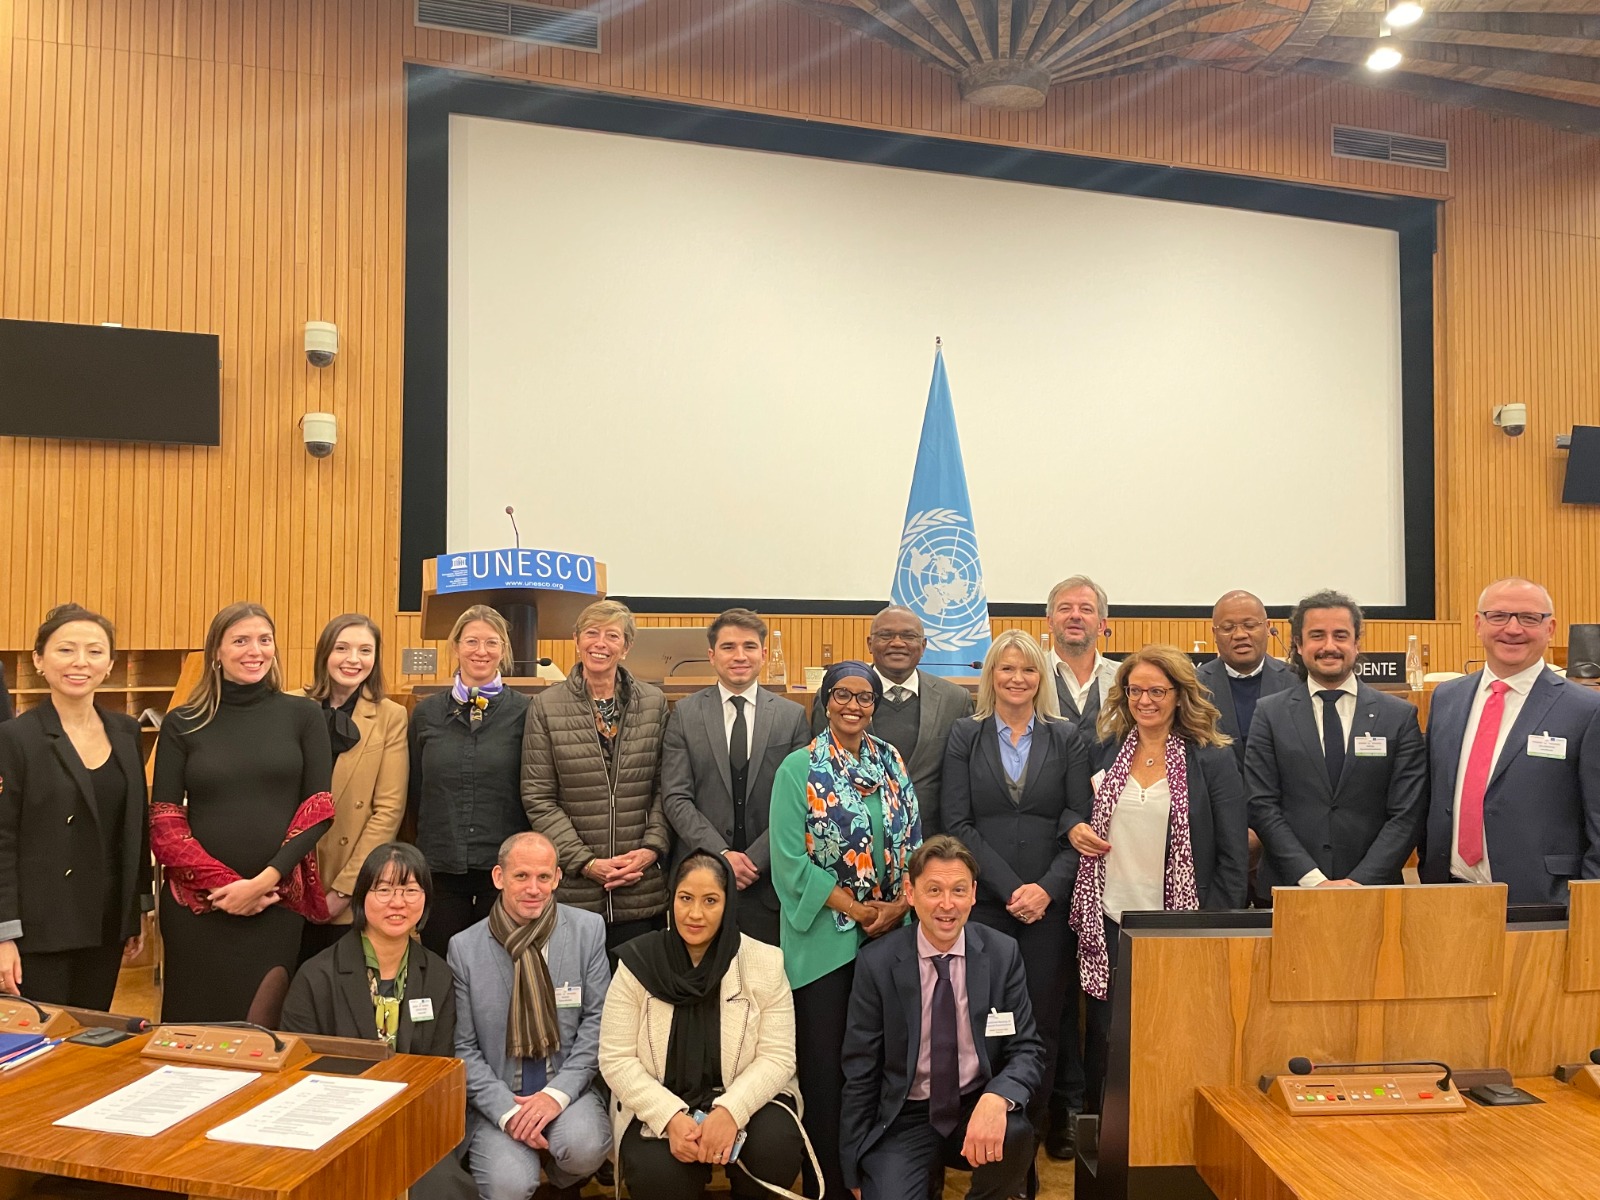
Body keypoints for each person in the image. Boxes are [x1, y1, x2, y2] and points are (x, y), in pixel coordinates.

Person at [1068, 644, 1248, 1113]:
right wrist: (1075, 828)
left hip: (1182, 924)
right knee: (1108, 1035)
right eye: (1135, 691)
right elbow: (1071, 810)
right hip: (1111, 919)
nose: (1144, 701)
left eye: (1156, 691)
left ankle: (1167, 1125)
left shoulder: (1212, 758)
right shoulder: (1105, 749)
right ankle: (1104, 1129)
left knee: (1174, 1033)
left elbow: (1233, 855)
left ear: (1179, 694)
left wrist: (1212, 927)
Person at [773, 660, 922, 1200]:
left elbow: (913, 839)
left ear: (875, 705)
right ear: (825, 700)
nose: (853, 706)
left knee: (882, 1066)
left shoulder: (891, 761)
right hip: (824, 943)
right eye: (842, 694)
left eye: (864, 697)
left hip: (890, 935)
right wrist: (859, 911)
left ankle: (878, 1177)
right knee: (827, 1071)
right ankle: (829, 1184)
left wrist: (899, 906)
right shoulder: (799, 768)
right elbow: (789, 863)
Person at [150, 602, 333, 1025]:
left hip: (274, 902)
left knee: (261, 1034)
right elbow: (164, 820)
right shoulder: (183, 722)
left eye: (264, 640)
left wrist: (262, 883)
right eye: (240, 640)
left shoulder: (304, 715)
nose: (255, 650)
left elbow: (318, 810)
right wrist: (227, 887)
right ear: (216, 650)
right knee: (192, 1035)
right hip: (199, 907)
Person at [942, 629, 1088, 1148]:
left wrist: (1045, 890)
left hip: (1049, 908)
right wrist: (1010, 890)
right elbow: (957, 823)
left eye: (1028, 669)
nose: (1017, 678)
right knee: (983, 1020)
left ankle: (1025, 1137)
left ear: (1041, 678)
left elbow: (1079, 822)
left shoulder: (1066, 737)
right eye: (1007, 668)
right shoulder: (965, 734)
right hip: (986, 905)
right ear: (991, 675)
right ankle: (981, 1129)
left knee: (1043, 1022)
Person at [840, 836, 1043, 1200]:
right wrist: (852, 1162)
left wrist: (998, 1097)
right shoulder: (877, 963)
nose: (947, 904)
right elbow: (861, 1068)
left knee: (1014, 1133)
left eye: (958, 890)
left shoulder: (1002, 953)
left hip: (974, 1104)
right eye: (934, 890)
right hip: (906, 1116)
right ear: (910, 892)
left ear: (974, 894)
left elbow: (1026, 1049)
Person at [599, 851, 809, 1200]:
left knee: (774, 1148)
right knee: (659, 1177)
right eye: (685, 898)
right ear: (672, 899)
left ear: (728, 905)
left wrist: (730, 1111)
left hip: (743, 1097)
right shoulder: (637, 963)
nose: (695, 913)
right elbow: (615, 1059)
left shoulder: (765, 962)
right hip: (663, 1101)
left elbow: (778, 1057)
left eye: (710, 901)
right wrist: (671, 1117)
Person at [281, 842, 475, 1199]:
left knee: (446, 1189)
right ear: (362, 897)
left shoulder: (437, 975)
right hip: (333, 1127)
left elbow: (442, 1067)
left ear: (426, 899)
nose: (397, 903)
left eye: (410, 890)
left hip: (413, 1123)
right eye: (383, 890)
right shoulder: (317, 975)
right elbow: (294, 1071)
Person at [0, 605, 150, 1007]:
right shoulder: (15, 738)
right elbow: (2, 840)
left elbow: (134, 826)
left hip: (106, 924)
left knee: (92, 1034)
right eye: (66, 650)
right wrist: (3, 934)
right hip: (38, 929)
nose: (80, 662)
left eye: (95, 651)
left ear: (110, 663)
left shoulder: (126, 731)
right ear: (39, 660)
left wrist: (137, 908)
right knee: (40, 1038)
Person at [449, 831, 612, 1200]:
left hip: (565, 1084)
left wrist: (556, 1095)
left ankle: (559, 1173)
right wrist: (509, 1113)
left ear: (557, 878)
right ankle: (523, 1153)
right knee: (508, 1186)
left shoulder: (587, 931)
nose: (533, 888)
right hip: (500, 1095)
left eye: (543, 877)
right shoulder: (464, 948)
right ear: (499, 877)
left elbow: (598, 1022)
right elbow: (464, 1048)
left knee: (585, 1148)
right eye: (521, 876)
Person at [1420, 578, 1600, 904]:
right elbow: (1431, 795)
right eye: (1498, 616)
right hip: (1446, 895)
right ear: (1479, 624)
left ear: (1550, 628)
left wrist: (1585, 904)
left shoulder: (1587, 710)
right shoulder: (1447, 698)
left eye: (1529, 618)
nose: (1513, 629)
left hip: (1544, 901)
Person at [1244, 590, 1427, 891]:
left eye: (1340, 635)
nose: (1329, 646)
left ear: (1356, 643)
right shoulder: (1270, 714)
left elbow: (1407, 813)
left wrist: (1359, 882)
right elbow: (1261, 805)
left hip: (1375, 891)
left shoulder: (1398, 716)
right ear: (1299, 644)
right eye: (1317, 635)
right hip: (1290, 889)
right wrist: (1313, 881)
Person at [522, 600, 671, 953]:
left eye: (612, 636)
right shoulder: (546, 706)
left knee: (636, 985)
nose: (600, 643)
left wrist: (650, 850)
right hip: (575, 891)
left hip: (640, 887)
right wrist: (585, 863)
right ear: (576, 640)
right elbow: (538, 796)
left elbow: (666, 787)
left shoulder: (654, 703)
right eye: (591, 633)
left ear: (626, 647)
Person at [661, 609, 809, 945]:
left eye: (749, 646)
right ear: (711, 655)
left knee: (765, 973)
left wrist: (756, 860)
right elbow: (676, 797)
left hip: (768, 881)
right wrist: (722, 855)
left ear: (764, 654)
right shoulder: (685, 714)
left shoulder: (792, 717)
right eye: (728, 647)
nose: (739, 656)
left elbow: (801, 801)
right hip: (701, 878)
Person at [411, 604, 531, 956]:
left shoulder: (525, 712)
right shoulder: (426, 713)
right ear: (456, 647)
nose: (481, 651)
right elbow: (415, 789)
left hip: (504, 867)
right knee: (440, 965)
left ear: (503, 650)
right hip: (441, 863)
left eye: (492, 643)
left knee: (498, 967)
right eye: (472, 641)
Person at [298, 614, 409, 963]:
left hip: (346, 881)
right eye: (342, 648)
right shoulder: (290, 706)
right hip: (285, 881)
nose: (353, 659)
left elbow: (388, 811)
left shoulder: (390, 716)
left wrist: (345, 890)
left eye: (365, 650)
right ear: (324, 653)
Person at [809, 606, 973, 836]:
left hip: (933, 839)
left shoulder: (955, 700)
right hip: (855, 837)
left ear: (923, 646)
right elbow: (819, 768)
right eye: (886, 635)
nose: (897, 643)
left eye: (908, 636)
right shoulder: (836, 699)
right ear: (869, 644)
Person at [1195, 591, 1294, 767]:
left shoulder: (1295, 681)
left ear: (1267, 627)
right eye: (1228, 628)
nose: (1240, 634)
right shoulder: (1194, 686)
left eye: (1250, 625)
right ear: (1214, 633)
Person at [1045, 576, 1119, 727]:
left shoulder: (1123, 677)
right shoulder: (1030, 675)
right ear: (1050, 622)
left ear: (1101, 626)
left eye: (1086, 609)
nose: (1075, 616)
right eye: (1065, 608)